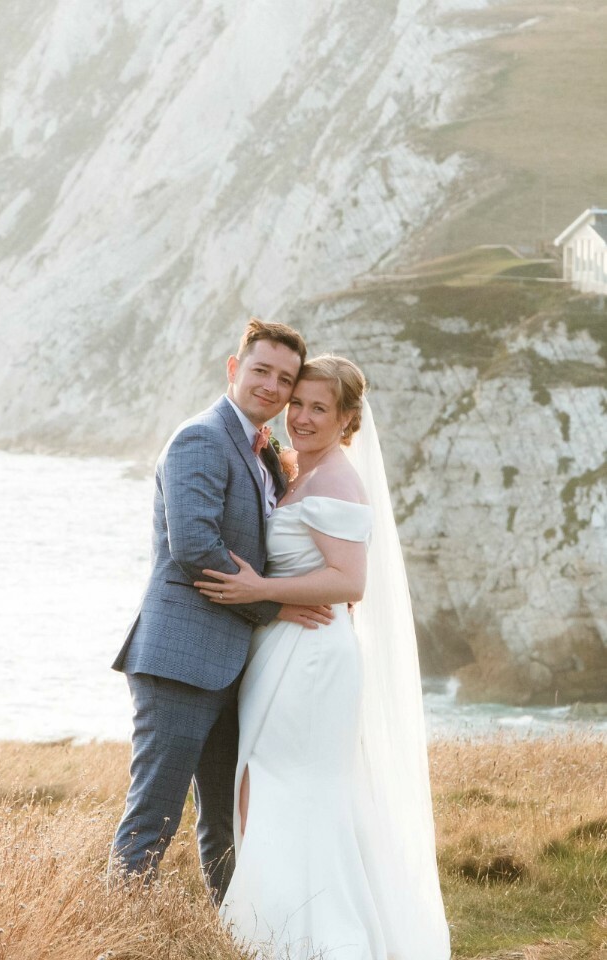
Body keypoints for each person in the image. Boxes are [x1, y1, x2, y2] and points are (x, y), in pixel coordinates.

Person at [195, 355, 451, 960]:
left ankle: (310, 938)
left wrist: (261, 590)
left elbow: (349, 582)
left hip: (312, 659)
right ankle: (272, 930)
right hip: (283, 648)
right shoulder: (296, 471)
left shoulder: (337, 478)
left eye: (319, 408)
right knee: (262, 782)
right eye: (297, 403)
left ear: (346, 420)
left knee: (288, 786)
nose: (302, 417)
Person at [109, 318, 334, 903]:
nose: (272, 386)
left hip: (233, 666)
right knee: (155, 813)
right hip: (180, 659)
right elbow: (193, 547)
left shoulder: (262, 453)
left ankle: (228, 932)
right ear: (234, 369)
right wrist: (275, 604)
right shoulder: (202, 438)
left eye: (285, 378)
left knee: (227, 821)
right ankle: (113, 927)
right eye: (261, 370)